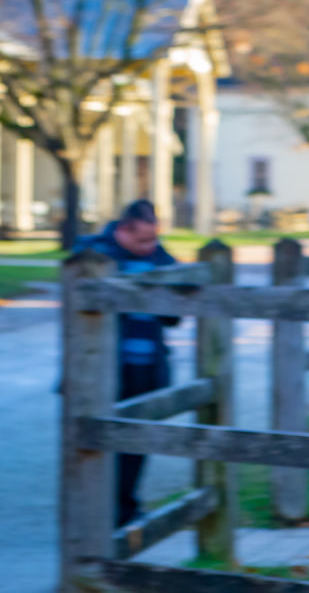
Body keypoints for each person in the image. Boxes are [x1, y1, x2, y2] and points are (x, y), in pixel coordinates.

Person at [74, 199, 179, 526]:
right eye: (142, 240)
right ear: (122, 230)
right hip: (106, 368)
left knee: (138, 439)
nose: (150, 247)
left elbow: (174, 316)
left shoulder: (161, 260)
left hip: (148, 365)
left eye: (154, 239)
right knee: (99, 441)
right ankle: (95, 510)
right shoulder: (95, 256)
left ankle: (126, 506)